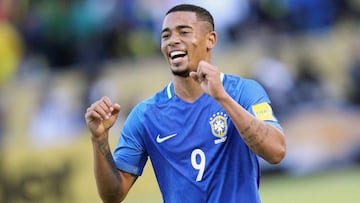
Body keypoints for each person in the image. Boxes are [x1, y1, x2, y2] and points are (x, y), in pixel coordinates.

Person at [85, 4, 286, 203]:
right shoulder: (145, 115)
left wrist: (222, 98)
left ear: (211, 39)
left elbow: (276, 152)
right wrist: (99, 139)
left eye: (183, 32)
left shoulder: (244, 92)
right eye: (166, 36)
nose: (173, 41)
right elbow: (112, 196)